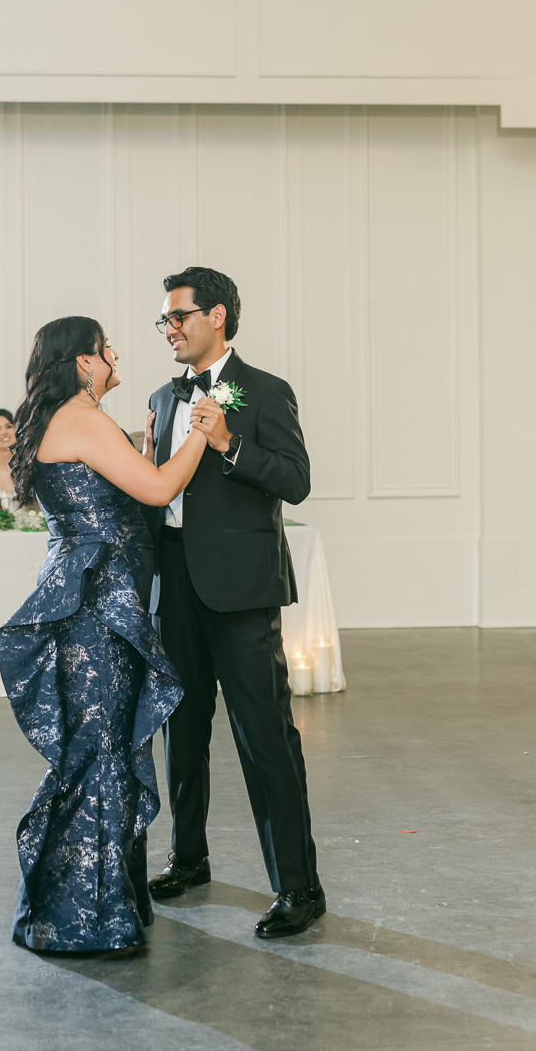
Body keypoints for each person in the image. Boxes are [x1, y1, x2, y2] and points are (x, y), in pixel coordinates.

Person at [0, 316, 208, 955]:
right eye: (104, 348)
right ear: (84, 362)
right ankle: (81, 917)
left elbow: (119, 494)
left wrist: (141, 443)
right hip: (97, 607)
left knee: (101, 747)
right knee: (101, 751)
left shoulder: (75, 417)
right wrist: (200, 430)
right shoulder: (80, 418)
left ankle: (100, 903)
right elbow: (162, 488)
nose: (115, 354)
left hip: (99, 599)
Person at [146, 266, 324, 939]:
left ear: (216, 316)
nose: (170, 328)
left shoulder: (267, 392)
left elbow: (297, 482)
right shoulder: (163, 399)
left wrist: (229, 443)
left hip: (242, 594)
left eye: (179, 316)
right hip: (177, 592)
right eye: (164, 320)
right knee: (181, 736)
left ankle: (299, 890)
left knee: (264, 738)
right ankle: (187, 859)